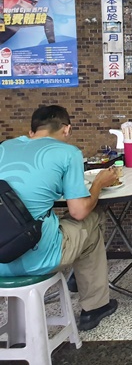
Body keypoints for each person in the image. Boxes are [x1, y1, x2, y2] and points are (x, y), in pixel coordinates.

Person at [0, 105, 120, 331]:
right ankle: (94, 307)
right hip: (37, 257)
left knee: (67, 221)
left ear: (32, 131)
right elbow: (79, 211)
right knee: (92, 216)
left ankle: (79, 275)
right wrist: (98, 184)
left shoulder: (5, 147)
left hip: (1, 258)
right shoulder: (68, 153)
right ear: (66, 130)